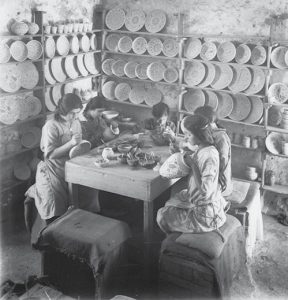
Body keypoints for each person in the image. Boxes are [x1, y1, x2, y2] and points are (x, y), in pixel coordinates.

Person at [157, 115, 226, 234]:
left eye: (189, 134)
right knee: (174, 199)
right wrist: (181, 153)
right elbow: (193, 156)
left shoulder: (209, 155)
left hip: (205, 216)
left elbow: (205, 191)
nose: (186, 137)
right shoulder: (204, 148)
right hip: (204, 204)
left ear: (199, 134)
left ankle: (173, 237)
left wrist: (193, 165)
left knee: (162, 215)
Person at [25, 93, 83, 227]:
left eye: (77, 113)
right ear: (63, 111)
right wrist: (71, 143)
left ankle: (74, 232)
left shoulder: (75, 122)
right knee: (56, 203)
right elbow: (50, 155)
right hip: (52, 169)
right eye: (72, 114)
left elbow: (77, 147)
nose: (75, 117)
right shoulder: (51, 126)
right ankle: (52, 235)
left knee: (83, 195)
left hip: (69, 166)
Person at [194, 105, 232, 197]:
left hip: (220, 185)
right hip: (212, 179)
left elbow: (222, 162)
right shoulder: (211, 133)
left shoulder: (220, 137)